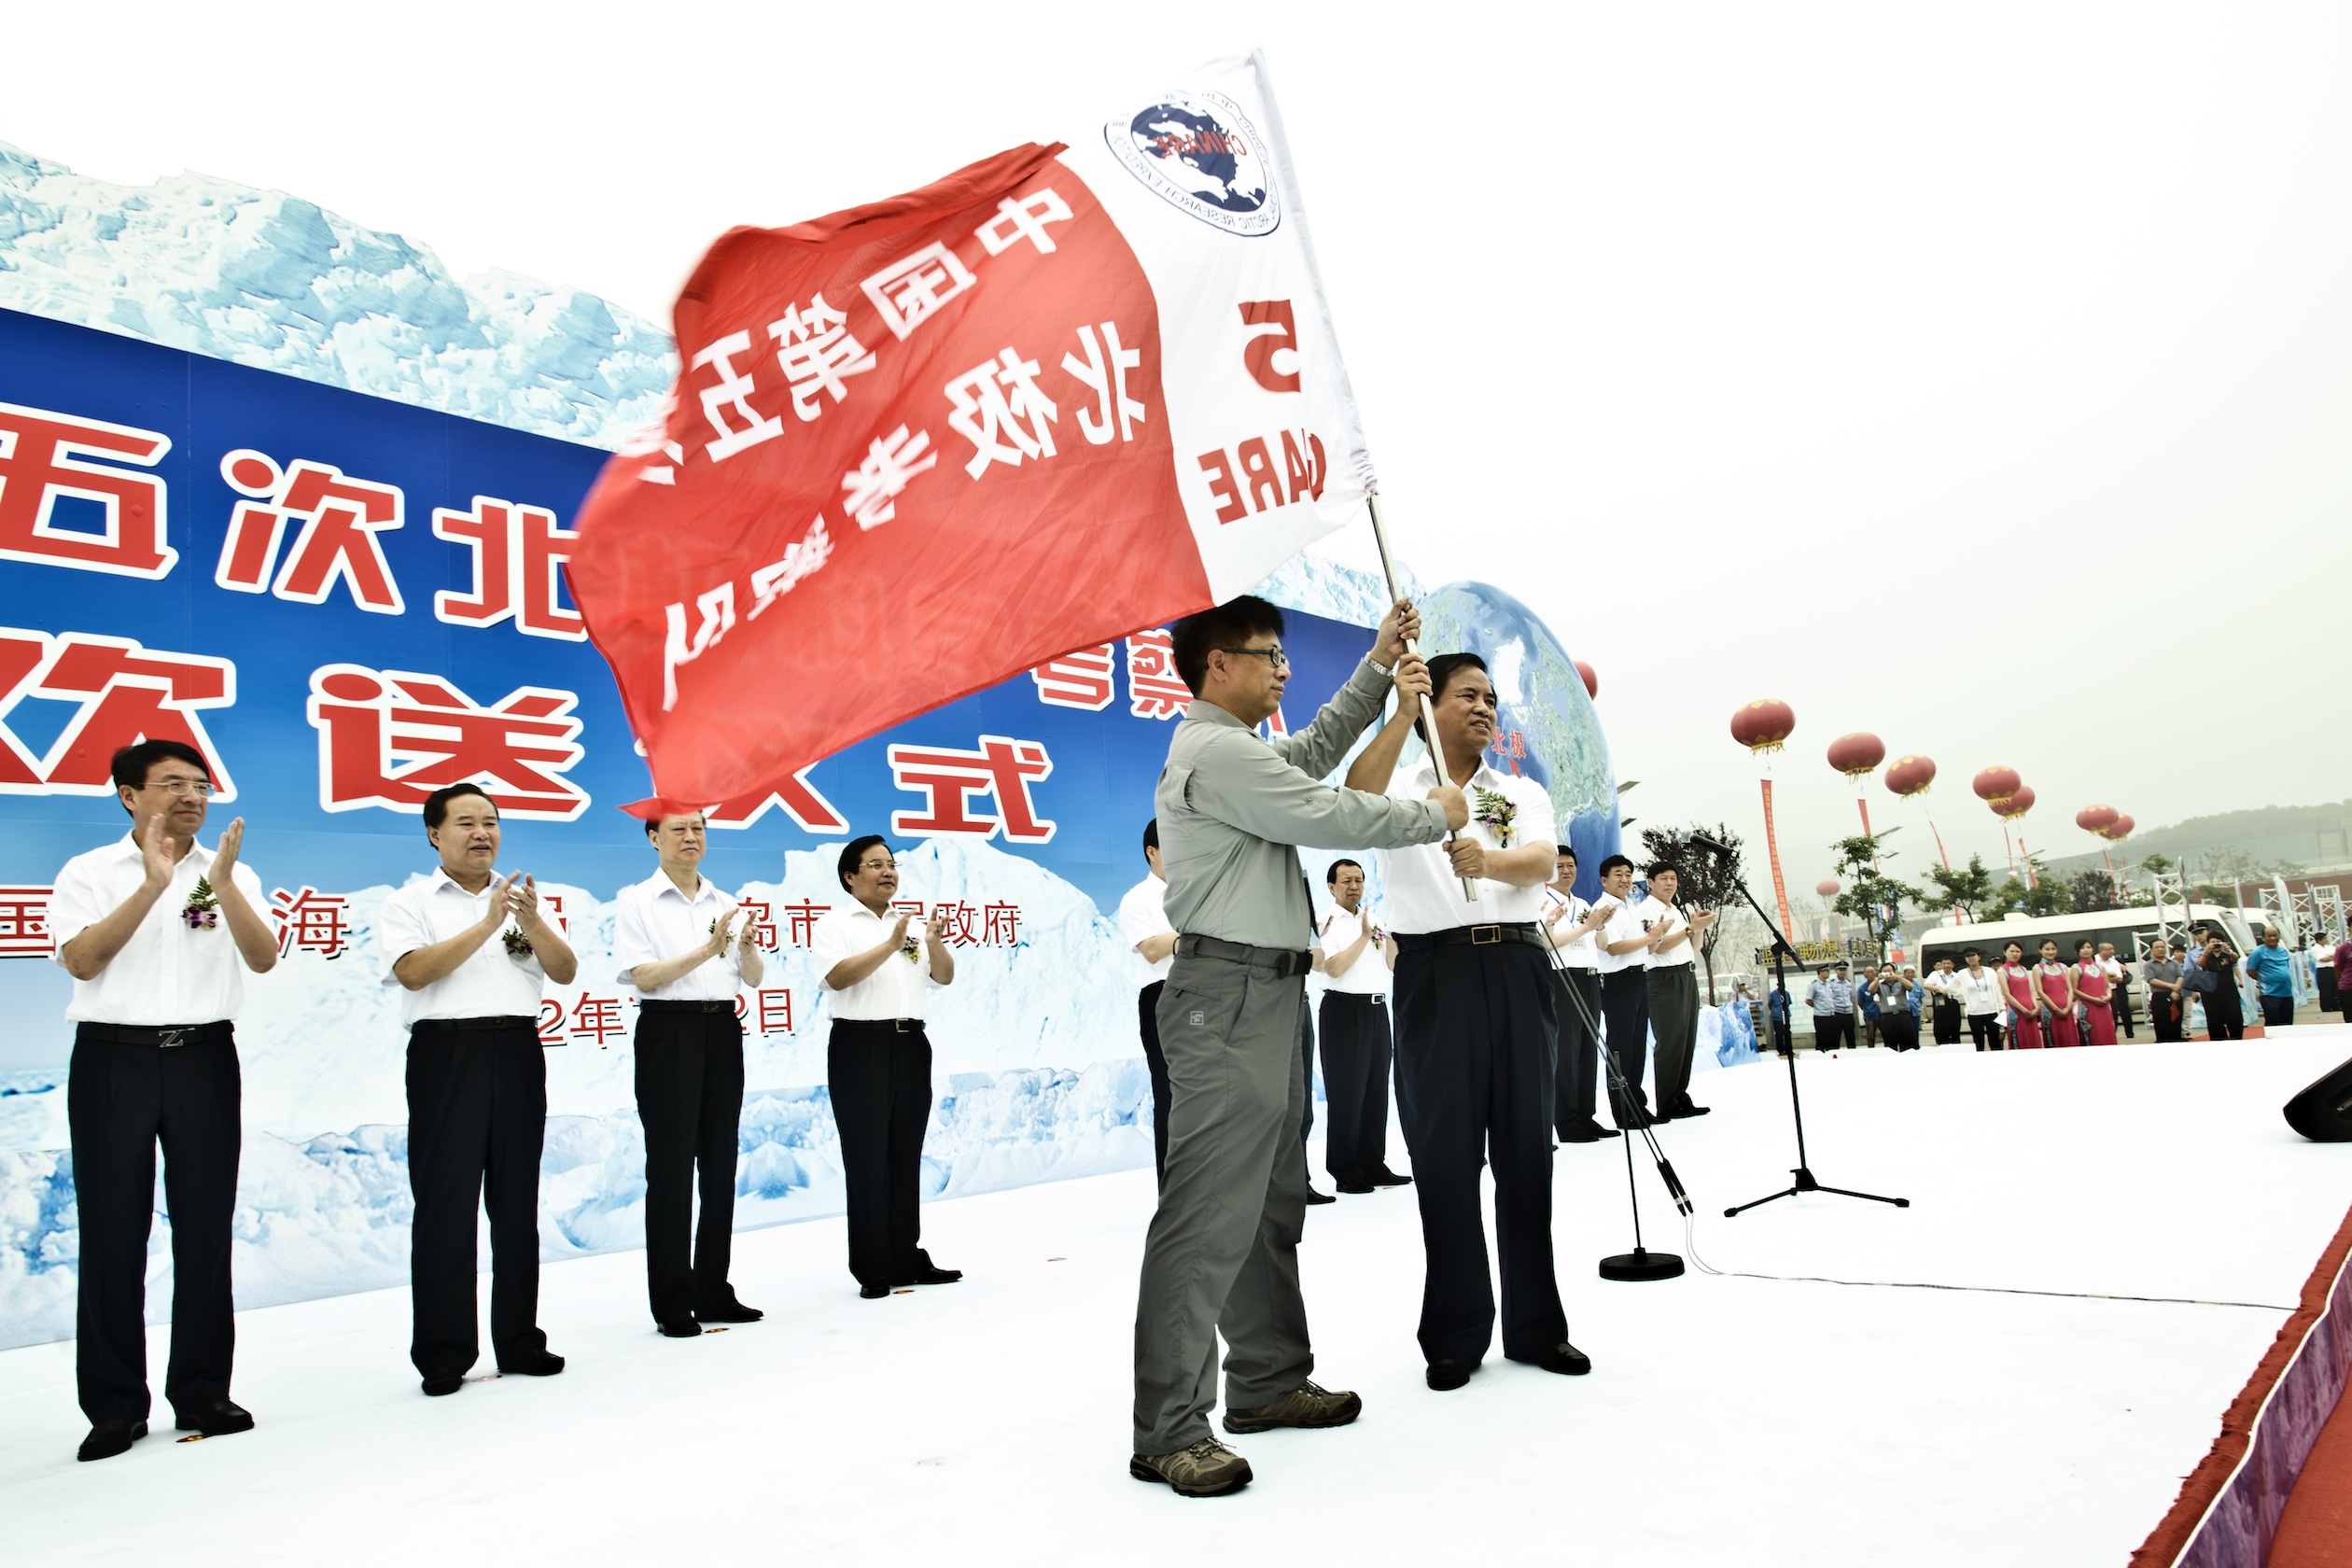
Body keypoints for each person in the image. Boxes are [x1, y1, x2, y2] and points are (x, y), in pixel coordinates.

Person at [1129, 595, 1459, 1499]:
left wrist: (1378, 663)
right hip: (1226, 994)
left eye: (1282, 655)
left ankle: (1268, 1384)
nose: (1281, 668)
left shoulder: (1242, 747)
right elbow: (1330, 811)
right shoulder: (1214, 749)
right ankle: (1168, 1429)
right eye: (1266, 655)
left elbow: (1314, 752)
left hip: (1271, 992)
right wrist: (1438, 814)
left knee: (1272, 1203)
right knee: (1206, 1215)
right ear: (1215, 666)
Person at [1347, 650, 1588, 1393]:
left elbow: (1543, 860)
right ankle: (1454, 1332)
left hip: (1518, 968)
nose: (1484, 708)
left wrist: (1487, 860)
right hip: (1435, 974)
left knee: (1526, 1155)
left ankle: (1536, 1328)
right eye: (1465, 696)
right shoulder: (1402, 784)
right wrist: (1398, 708)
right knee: (1444, 1160)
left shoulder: (1517, 791)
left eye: (1490, 698)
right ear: (1432, 704)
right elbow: (1354, 792)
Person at [50, 740, 276, 1462]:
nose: (192, 796)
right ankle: (116, 1406)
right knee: (114, 1235)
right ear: (128, 794)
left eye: (200, 785)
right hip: (115, 1062)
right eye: (173, 784)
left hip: (206, 1059)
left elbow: (264, 956)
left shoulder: (225, 874)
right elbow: (82, 960)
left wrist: (222, 882)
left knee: (206, 1232)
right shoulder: (88, 873)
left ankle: (204, 1388)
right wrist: (153, 882)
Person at [380, 783, 577, 1397]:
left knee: (517, 1203)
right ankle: (443, 1353)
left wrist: (528, 920)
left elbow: (566, 971)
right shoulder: (409, 902)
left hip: (517, 1050)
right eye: (465, 822)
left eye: (490, 821)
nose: (482, 833)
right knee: (446, 1205)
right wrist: (488, 923)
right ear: (434, 834)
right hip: (447, 1054)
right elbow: (411, 971)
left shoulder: (520, 902)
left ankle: (520, 1341)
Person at [612, 806, 765, 1337]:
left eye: (698, 828)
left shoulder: (727, 902)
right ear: (654, 838)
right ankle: (672, 1301)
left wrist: (744, 949)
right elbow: (645, 977)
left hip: (722, 1030)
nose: (690, 837)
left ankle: (713, 1289)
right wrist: (707, 948)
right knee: (672, 1171)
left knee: (720, 1165)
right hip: (667, 1032)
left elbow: (752, 977)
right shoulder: (637, 901)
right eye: (677, 829)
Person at [812, 836, 960, 1299]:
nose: (887, 871)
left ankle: (906, 1256)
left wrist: (930, 943)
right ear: (850, 877)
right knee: (866, 1158)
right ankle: (873, 1265)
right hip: (860, 1045)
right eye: (875, 864)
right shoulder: (832, 923)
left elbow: (944, 977)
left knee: (903, 1156)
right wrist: (891, 944)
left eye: (892, 864)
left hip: (911, 1043)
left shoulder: (910, 924)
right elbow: (837, 977)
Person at [1317, 859, 1410, 1192]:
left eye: (1358, 880)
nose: (1354, 886)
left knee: (1374, 1092)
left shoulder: (1372, 918)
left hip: (1376, 1011)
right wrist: (1363, 937)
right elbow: (1332, 968)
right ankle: (1344, 1169)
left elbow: (1391, 963)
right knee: (1347, 1093)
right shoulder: (1326, 922)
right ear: (1331, 886)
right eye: (1346, 881)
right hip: (1344, 1011)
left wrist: (1392, 933)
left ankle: (1372, 1162)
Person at [1541, 848, 1617, 1141]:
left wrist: (1601, 925)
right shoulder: (1542, 901)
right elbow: (1547, 942)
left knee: (1587, 1049)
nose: (1567, 871)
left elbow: (1601, 943)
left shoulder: (1583, 903)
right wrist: (1587, 926)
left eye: (1571, 865)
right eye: (1559, 866)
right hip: (1562, 978)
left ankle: (1587, 1116)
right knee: (1567, 1051)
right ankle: (1567, 1120)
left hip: (1589, 977)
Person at [1118, 820, 1179, 1183]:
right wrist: (1195, 929)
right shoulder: (1137, 899)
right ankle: (1174, 1195)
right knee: (1171, 1095)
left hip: (1207, 995)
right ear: (1151, 853)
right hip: (1164, 998)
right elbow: (1152, 950)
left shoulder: (1199, 892)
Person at [1637, 863, 1715, 1117]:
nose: (1669, 883)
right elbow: (1658, 946)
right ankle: (1667, 1101)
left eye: (1673, 878)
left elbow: (1694, 946)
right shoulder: (1646, 910)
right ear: (1650, 882)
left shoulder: (1676, 910)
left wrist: (1698, 926)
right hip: (1663, 978)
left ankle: (1680, 1096)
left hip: (1686, 974)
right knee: (1670, 1040)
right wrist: (1690, 929)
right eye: (1663, 879)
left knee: (1686, 1040)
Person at [1594, 855, 1655, 1118]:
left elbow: (1648, 944)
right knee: (1621, 1046)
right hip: (1618, 980)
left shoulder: (1632, 907)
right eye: (1618, 874)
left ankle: (1637, 1104)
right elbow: (1613, 947)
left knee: (1637, 1044)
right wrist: (1649, 939)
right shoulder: (1604, 908)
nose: (1625, 879)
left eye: (1628, 874)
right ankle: (1623, 1110)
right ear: (1604, 880)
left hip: (1639, 977)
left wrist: (1656, 935)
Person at [2190, 925, 2246, 1040]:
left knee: (2235, 1019)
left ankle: (2236, 1040)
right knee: (2215, 1022)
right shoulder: (2205, 955)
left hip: (2229, 992)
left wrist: (2228, 950)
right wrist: (2207, 950)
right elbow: (2200, 964)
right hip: (2210, 994)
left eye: (2218, 942)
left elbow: (2235, 959)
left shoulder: (2227, 954)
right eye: (2212, 942)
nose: (2215, 944)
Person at [2245, 926, 2297, 1029]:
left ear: (2279, 936)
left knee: (2287, 1025)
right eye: (2269, 936)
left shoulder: (2283, 951)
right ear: (2263, 938)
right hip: (2270, 994)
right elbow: (2250, 971)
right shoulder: (2258, 952)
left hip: (2287, 993)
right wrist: (2264, 980)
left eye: (2275, 935)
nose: (2272, 938)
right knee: (2273, 1025)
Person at [1956, 949, 2005, 1050]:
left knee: (1995, 1041)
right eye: (1968, 956)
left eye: (1973, 955)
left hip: (1992, 1011)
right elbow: (1950, 988)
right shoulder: (1962, 974)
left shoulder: (1989, 971)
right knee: (1978, 1043)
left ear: (1979, 957)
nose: (1971, 958)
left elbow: (1997, 989)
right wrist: (1963, 993)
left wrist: (2002, 1007)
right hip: (1974, 1013)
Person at [1999, 941, 2044, 1049]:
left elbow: (2030, 991)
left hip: (2031, 1011)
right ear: (2005, 952)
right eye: (2012, 951)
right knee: (2019, 1041)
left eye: (2017, 951)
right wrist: (2024, 1011)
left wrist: (2036, 1008)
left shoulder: (2023, 969)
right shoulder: (2002, 971)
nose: (2015, 954)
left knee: (2033, 1040)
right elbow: (2007, 995)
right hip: (2016, 1012)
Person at [2035, 940, 2079, 1046]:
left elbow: (2069, 989)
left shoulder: (2063, 967)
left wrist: (2068, 1007)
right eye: (2047, 949)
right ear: (2040, 950)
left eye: (2053, 949)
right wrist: (2056, 1009)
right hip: (2050, 1009)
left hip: (2066, 1008)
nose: (2050, 952)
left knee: (2070, 1038)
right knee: (2054, 1040)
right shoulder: (2037, 968)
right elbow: (2040, 992)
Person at [2073, 940, 2116, 1045]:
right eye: (2082, 948)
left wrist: (2108, 996)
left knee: (2108, 1032)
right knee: (2092, 1035)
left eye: (2088, 947)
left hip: (2104, 1006)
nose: (2086, 950)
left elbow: (2107, 986)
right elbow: (2074, 990)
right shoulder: (2076, 968)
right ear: (2077, 951)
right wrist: (2093, 999)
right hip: (2088, 1008)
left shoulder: (2101, 967)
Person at [2142, 938, 2186, 1042]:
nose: (2160, 949)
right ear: (2151, 950)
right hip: (2159, 997)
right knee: (2162, 1024)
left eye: (2162, 947)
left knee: (2176, 1022)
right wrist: (2172, 986)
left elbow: (2180, 976)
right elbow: (2152, 980)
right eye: (2157, 947)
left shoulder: (2174, 963)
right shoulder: (2148, 965)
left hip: (2176, 995)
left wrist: (2175, 990)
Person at [1872, 966, 1918, 1051]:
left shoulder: (1900, 982)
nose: (1887, 974)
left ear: (1894, 971)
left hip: (1902, 1014)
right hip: (1887, 1016)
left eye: (1889, 971)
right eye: (1884, 971)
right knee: (1890, 1044)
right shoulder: (1880, 984)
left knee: (1908, 1043)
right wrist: (1877, 979)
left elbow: (1910, 987)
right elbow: (1870, 990)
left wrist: (1897, 977)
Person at [2100, 943, 2136, 1039]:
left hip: (2118, 989)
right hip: (2101, 991)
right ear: (2102, 951)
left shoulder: (2116, 961)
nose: (2112, 951)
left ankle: (2129, 1033)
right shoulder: (2095, 961)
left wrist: (2104, 977)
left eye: (2113, 949)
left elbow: (2120, 979)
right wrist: (2108, 976)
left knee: (2123, 1011)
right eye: (2109, 949)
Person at [1925, 957, 1964, 1045]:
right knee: (1940, 1028)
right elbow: (1926, 985)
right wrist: (1939, 989)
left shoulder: (1957, 976)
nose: (1946, 965)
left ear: (1953, 965)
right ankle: (1942, 1044)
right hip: (1940, 1002)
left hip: (1953, 1002)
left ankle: (1955, 1044)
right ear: (1941, 965)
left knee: (1955, 1027)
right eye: (1944, 963)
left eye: (1948, 963)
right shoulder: (1936, 974)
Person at [1857, 963, 1883, 1048]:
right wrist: (1867, 1010)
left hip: (1883, 1014)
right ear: (1864, 974)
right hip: (1870, 1015)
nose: (1870, 974)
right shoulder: (1862, 988)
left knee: (1887, 1035)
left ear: (1876, 972)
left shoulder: (1882, 984)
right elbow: (1860, 1003)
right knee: (1870, 1037)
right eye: (1867, 972)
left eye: (1872, 972)